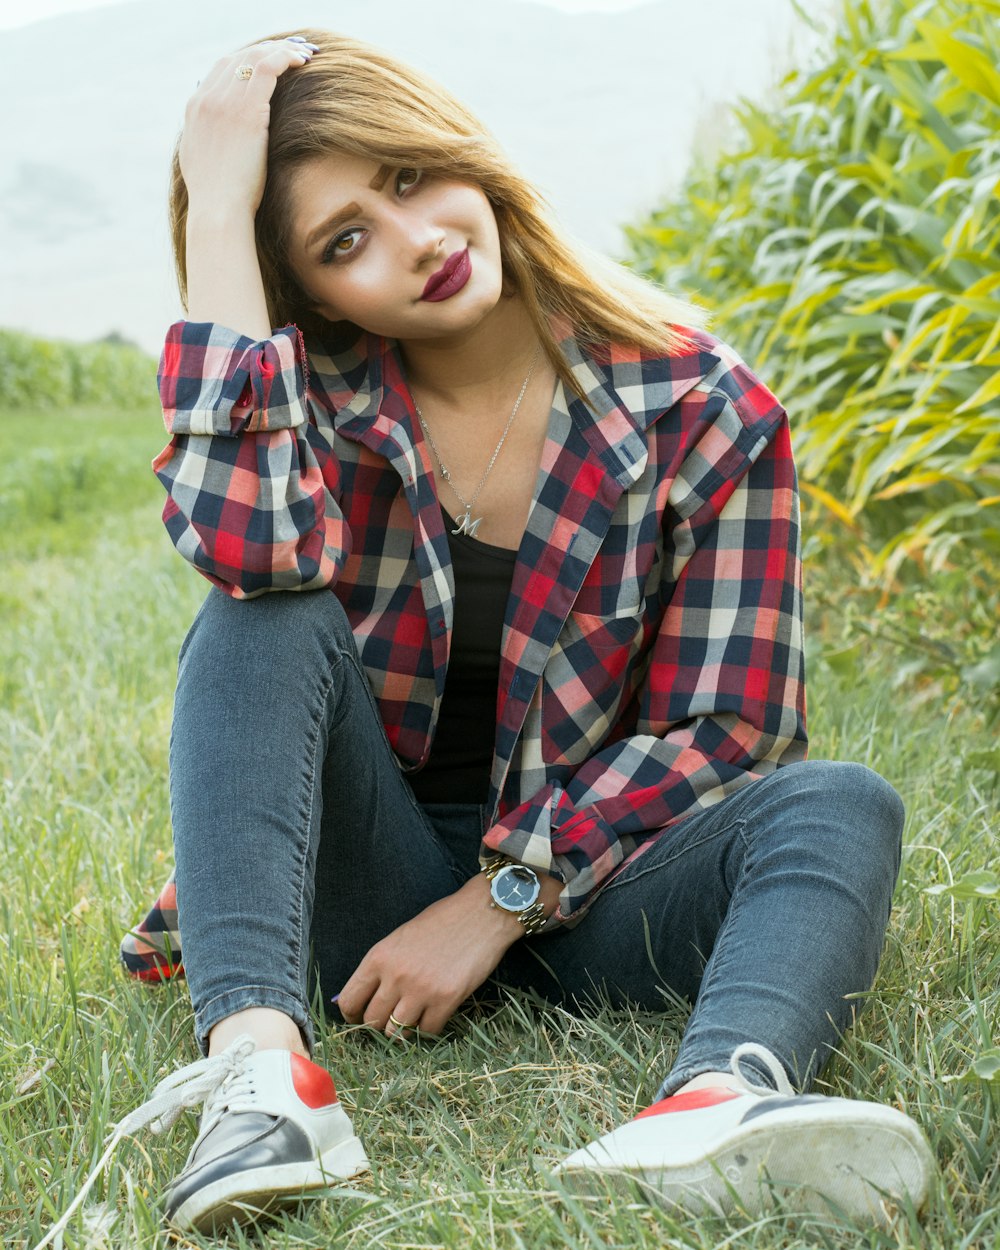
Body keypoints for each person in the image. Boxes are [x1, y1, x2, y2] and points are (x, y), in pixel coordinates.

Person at [116, 27, 935, 1236]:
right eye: (343, 242)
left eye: (405, 179)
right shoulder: (318, 403)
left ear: (458, 151)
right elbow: (249, 552)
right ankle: (257, 1078)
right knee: (261, 619)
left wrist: (501, 896)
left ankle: (715, 1103)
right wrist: (220, 210)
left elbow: (726, 726)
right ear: (309, 290)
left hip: (592, 900)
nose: (418, 242)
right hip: (363, 913)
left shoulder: (704, 407)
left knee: (840, 800)